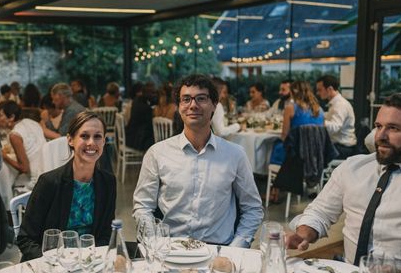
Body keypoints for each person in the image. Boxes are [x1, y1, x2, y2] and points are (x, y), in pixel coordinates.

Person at [285, 93, 401, 273]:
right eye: (378, 126)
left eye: (393, 128)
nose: (380, 136)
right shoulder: (353, 167)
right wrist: (305, 232)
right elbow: (320, 211)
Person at [133, 74, 263, 247]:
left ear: (214, 106)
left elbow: (253, 208)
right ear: (179, 107)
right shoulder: (157, 153)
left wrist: (236, 249)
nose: (193, 105)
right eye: (186, 99)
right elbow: (143, 207)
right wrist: (155, 244)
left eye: (201, 99)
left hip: (219, 249)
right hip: (170, 249)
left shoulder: (235, 154)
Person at [17, 111, 116, 260]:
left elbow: (105, 234)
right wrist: (54, 264)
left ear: (103, 141)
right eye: (84, 136)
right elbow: (26, 239)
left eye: (97, 136)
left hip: (89, 262)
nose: (91, 142)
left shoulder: (107, 182)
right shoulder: (49, 183)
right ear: (70, 140)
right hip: (50, 264)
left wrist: (89, 260)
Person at [269, 80, 324, 166]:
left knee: (276, 144)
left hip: (296, 153)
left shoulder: (290, 108)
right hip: (315, 154)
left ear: (292, 92)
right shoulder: (319, 109)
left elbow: (284, 135)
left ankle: (274, 175)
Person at [316, 75, 357, 158]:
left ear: (330, 89)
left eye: (320, 90)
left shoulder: (340, 105)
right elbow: (330, 116)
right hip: (339, 146)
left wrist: (317, 120)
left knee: (311, 151)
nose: (318, 93)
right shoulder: (335, 103)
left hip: (342, 148)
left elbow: (334, 127)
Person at [125, 82, 155, 151]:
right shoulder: (146, 108)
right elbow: (150, 124)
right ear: (147, 93)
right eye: (152, 93)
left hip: (130, 135)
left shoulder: (136, 100)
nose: (154, 95)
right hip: (136, 140)